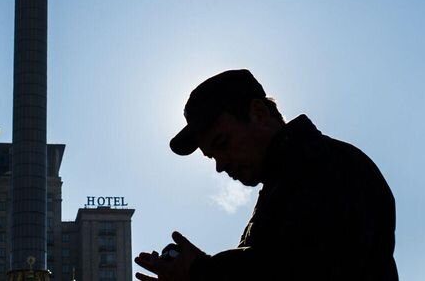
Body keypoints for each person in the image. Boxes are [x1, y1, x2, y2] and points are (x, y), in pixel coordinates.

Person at [135, 69, 398, 280]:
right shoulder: (288, 180)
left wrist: (201, 271)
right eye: (211, 157)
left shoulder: (328, 165)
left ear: (259, 113)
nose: (220, 165)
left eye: (222, 143)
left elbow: (301, 267)